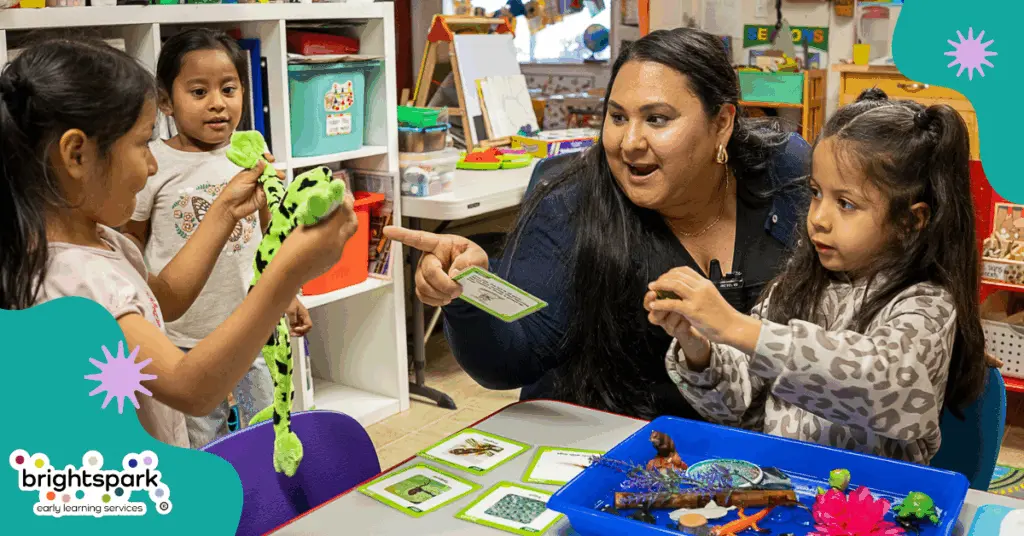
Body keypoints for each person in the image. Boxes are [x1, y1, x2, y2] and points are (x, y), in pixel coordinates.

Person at [384, 28, 812, 420]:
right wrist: (469, 290)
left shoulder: (785, 173)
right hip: (613, 444)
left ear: (722, 123)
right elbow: (507, 362)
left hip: (753, 443)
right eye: (618, 117)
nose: (629, 143)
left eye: (657, 119)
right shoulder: (570, 204)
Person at [0, 38, 358, 448]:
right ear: (77, 155)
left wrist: (223, 211)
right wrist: (288, 272)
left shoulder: (104, 244)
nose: (152, 163)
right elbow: (192, 390)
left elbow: (164, 300)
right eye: (141, 143)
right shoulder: (74, 284)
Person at [649, 88, 986, 465]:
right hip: (789, 493)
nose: (819, 218)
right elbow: (736, 404)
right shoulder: (798, 286)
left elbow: (889, 386)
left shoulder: (926, 303)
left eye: (845, 204)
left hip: (872, 510)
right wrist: (699, 347)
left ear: (910, 221)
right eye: (815, 193)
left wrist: (738, 328)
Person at [120, 29, 309, 448]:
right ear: (166, 100)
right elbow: (131, 243)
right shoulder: (154, 162)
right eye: (199, 91)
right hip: (185, 339)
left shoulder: (251, 155)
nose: (218, 103)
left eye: (228, 88)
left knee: (267, 428)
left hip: (252, 328)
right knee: (205, 442)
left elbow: (270, 233)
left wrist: (287, 294)